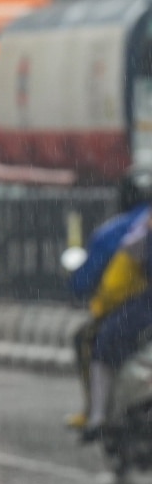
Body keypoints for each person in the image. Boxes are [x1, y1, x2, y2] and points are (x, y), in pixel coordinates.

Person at [67, 168, 152, 436]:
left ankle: (97, 415)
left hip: (139, 305)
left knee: (97, 342)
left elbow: (84, 279)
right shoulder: (141, 226)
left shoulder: (116, 231)